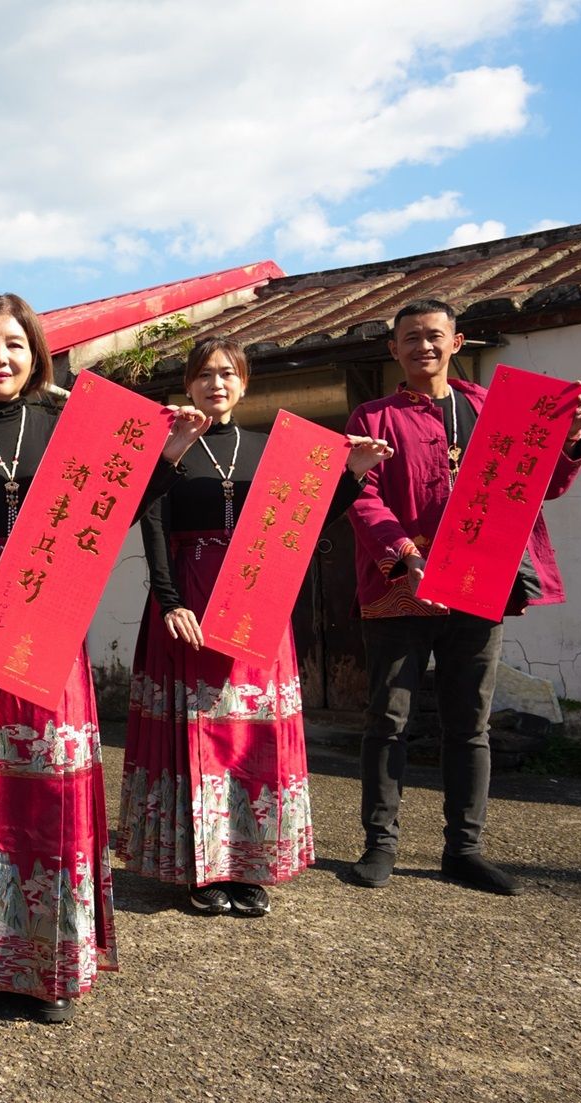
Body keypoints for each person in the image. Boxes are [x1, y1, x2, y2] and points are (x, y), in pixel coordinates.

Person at [0, 293, 204, 1024]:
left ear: (37, 356)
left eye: (15, 345)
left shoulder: (67, 430)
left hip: (47, 623)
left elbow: (109, 513)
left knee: (45, 786)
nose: (0, 357)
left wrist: (172, 458)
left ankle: (47, 965)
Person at [115, 338, 392, 917]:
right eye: (204, 375)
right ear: (187, 385)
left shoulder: (270, 449)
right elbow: (152, 527)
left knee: (250, 738)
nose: (216, 384)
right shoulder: (169, 447)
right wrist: (168, 601)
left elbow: (304, 519)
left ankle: (248, 866)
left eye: (227, 374)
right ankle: (199, 867)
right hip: (187, 598)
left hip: (254, 602)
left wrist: (354, 476)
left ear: (244, 384)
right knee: (194, 736)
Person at [344, 299, 581, 896]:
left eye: (434, 336)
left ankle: (465, 849)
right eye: (409, 338)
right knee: (388, 719)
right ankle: (380, 845)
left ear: (457, 344)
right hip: (398, 584)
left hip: (481, 584)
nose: (422, 346)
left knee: (469, 722)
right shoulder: (373, 416)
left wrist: (573, 435)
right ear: (394, 350)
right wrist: (405, 557)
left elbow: (542, 485)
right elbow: (360, 495)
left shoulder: (495, 408)